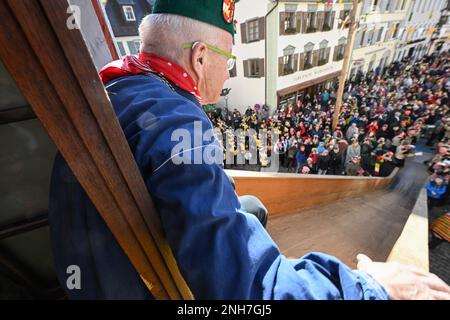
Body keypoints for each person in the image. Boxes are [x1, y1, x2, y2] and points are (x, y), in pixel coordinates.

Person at [48, 0, 450, 300]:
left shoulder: (122, 88)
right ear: (200, 57)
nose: (228, 72)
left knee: (251, 205)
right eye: (229, 59)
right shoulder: (179, 122)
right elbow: (251, 289)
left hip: (94, 273)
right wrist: (370, 287)